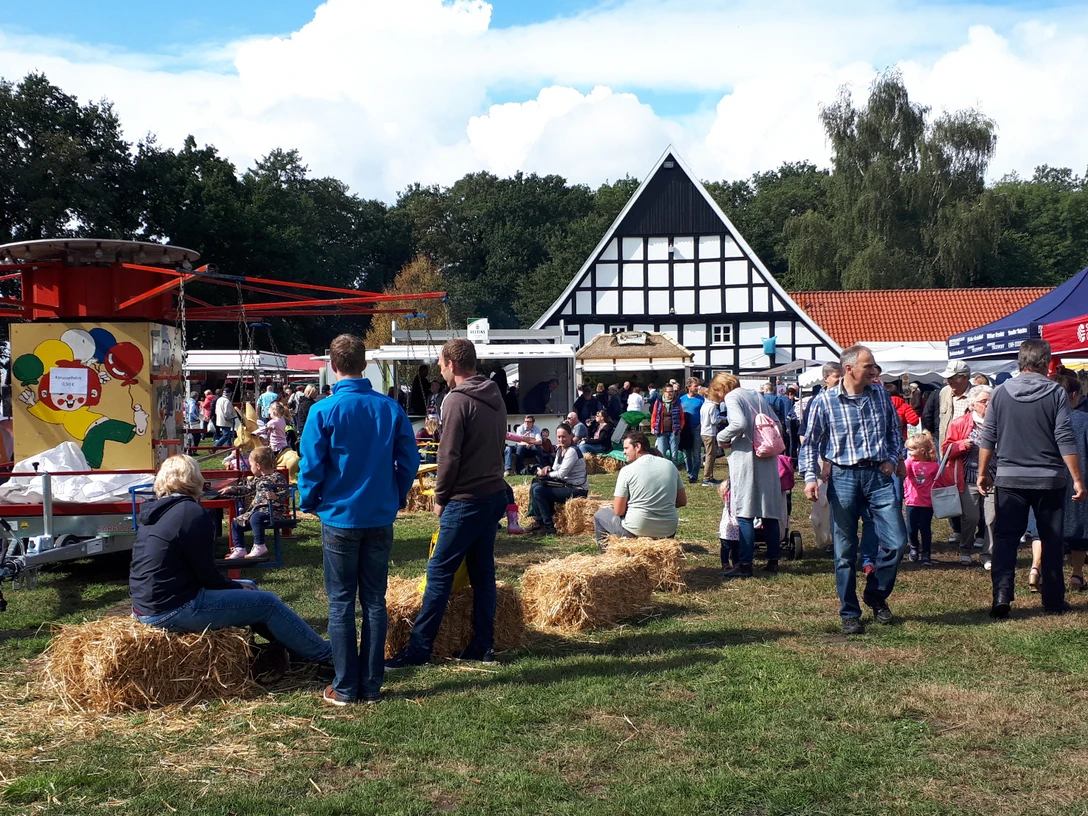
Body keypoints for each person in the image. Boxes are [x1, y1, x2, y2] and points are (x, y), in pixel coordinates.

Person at [298, 333, 420, 706]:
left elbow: (311, 465)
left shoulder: (323, 411)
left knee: (340, 604)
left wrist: (310, 500)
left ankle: (346, 686)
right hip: (378, 513)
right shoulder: (389, 408)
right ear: (364, 364)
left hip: (339, 516)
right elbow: (410, 461)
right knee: (374, 601)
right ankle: (370, 684)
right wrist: (396, 495)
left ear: (332, 368)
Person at [129, 455, 331, 671]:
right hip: (172, 609)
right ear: (194, 478)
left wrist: (236, 586)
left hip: (146, 606)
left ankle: (296, 651)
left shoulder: (156, 513)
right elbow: (206, 573)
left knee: (252, 589)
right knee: (267, 603)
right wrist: (234, 586)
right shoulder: (191, 513)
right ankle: (323, 655)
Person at [387, 338, 509, 669]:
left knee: (439, 573)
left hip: (465, 499)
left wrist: (441, 497)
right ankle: (483, 645)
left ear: (452, 365)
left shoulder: (456, 401)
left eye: (441, 363)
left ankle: (419, 651)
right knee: (483, 574)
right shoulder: (494, 393)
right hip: (492, 492)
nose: (439, 368)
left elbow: (449, 454)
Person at [799, 345, 908, 635]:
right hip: (843, 476)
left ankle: (875, 594)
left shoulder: (881, 396)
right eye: (868, 365)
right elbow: (810, 443)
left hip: (877, 476)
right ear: (849, 369)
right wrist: (811, 477)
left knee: (897, 542)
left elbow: (894, 434)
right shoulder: (824, 402)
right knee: (845, 551)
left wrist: (893, 458)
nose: (874, 370)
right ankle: (850, 613)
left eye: (874, 366)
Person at [977, 339, 1085, 618]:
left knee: (1005, 538)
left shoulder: (1000, 393)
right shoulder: (1056, 393)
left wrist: (982, 473)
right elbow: (1064, 436)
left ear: (1020, 362)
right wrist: (1077, 478)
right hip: (1048, 478)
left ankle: (1002, 594)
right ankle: (1053, 600)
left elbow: (988, 435)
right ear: (1045, 363)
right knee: (1051, 538)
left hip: (1009, 477)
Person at [718, 377, 786, 578]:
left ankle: (745, 564)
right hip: (767, 457)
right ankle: (773, 561)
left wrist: (722, 437)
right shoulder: (758, 396)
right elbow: (777, 424)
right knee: (769, 511)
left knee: (745, 512)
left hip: (746, 457)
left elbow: (739, 423)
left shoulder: (732, 396)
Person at [593, 432, 687, 544]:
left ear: (638, 447)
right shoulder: (670, 465)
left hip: (637, 529)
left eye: (626, 448)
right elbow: (682, 501)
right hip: (668, 530)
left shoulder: (627, 470)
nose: (623, 452)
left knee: (599, 515)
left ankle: (607, 557)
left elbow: (618, 511)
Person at [940, 385, 995, 567]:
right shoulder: (960, 423)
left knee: (992, 518)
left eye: (990, 401)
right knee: (970, 517)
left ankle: (988, 555)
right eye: (983, 401)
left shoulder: (1000, 421)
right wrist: (961, 445)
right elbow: (945, 449)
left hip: (993, 477)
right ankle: (965, 549)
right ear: (972, 404)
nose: (987, 405)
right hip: (968, 477)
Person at [221, 446, 291, 560]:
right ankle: (239, 548)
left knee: (255, 517)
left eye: (251, 465)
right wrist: (231, 489)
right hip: (257, 511)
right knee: (236, 522)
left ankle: (260, 545)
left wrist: (276, 496)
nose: (250, 467)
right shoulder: (258, 479)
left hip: (273, 511)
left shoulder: (277, 477)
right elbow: (247, 488)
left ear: (258, 466)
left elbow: (287, 492)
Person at [526, 424, 589, 534]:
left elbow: (561, 474)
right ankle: (539, 521)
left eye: (564, 436)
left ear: (571, 435)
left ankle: (549, 526)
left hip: (577, 489)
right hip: (565, 485)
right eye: (559, 437)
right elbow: (555, 468)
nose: (561, 439)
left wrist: (546, 474)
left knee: (539, 490)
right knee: (535, 485)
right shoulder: (560, 450)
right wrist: (547, 469)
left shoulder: (572, 451)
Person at [1060, 374, 1088, 591]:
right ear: (1074, 395)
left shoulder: (1043, 419)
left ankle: (1037, 569)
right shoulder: (1083, 420)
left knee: (1045, 530)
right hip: (1079, 477)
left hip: (1048, 478)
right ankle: (1077, 575)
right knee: (1079, 529)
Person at [903, 432, 939, 565]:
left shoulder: (934, 466)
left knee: (925, 527)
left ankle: (926, 553)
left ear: (922, 450)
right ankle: (913, 546)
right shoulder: (909, 462)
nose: (909, 452)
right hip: (912, 501)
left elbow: (938, 481)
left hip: (927, 502)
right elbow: (904, 471)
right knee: (911, 528)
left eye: (911, 450)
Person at [700, 375, 735, 486]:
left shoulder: (705, 405)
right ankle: (707, 478)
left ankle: (709, 476)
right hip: (709, 432)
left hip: (704, 431)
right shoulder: (712, 406)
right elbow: (714, 420)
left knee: (711, 454)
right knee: (710, 455)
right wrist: (723, 420)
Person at [679, 378, 705, 484]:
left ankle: (694, 475)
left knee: (696, 453)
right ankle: (689, 473)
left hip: (697, 428)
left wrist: (701, 424)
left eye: (698, 386)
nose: (697, 388)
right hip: (685, 430)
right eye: (695, 386)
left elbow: (704, 414)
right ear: (688, 387)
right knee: (687, 453)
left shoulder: (701, 400)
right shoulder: (681, 399)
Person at [650, 383, 683, 463]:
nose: (670, 393)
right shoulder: (659, 402)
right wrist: (653, 427)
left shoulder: (677, 402)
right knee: (661, 455)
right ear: (664, 392)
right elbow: (654, 415)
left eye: (672, 391)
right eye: (668, 392)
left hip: (674, 432)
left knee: (674, 455)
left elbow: (682, 417)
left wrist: (680, 427)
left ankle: (674, 473)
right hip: (661, 432)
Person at [717, 479, 740, 572]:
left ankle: (732, 563)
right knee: (729, 548)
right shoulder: (728, 501)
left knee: (731, 549)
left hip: (729, 529)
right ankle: (727, 563)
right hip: (731, 529)